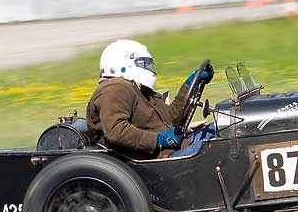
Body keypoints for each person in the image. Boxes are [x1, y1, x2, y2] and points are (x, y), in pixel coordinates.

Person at [85, 39, 215, 160]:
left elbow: (171, 118)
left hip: (176, 147)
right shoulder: (114, 88)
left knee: (224, 127)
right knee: (227, 139)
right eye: (141, 63)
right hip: (162, 159)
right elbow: (116, 130)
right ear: (122, 64)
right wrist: (160, 140)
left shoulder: (141, 91)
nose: (146, 67)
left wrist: (191, 84)